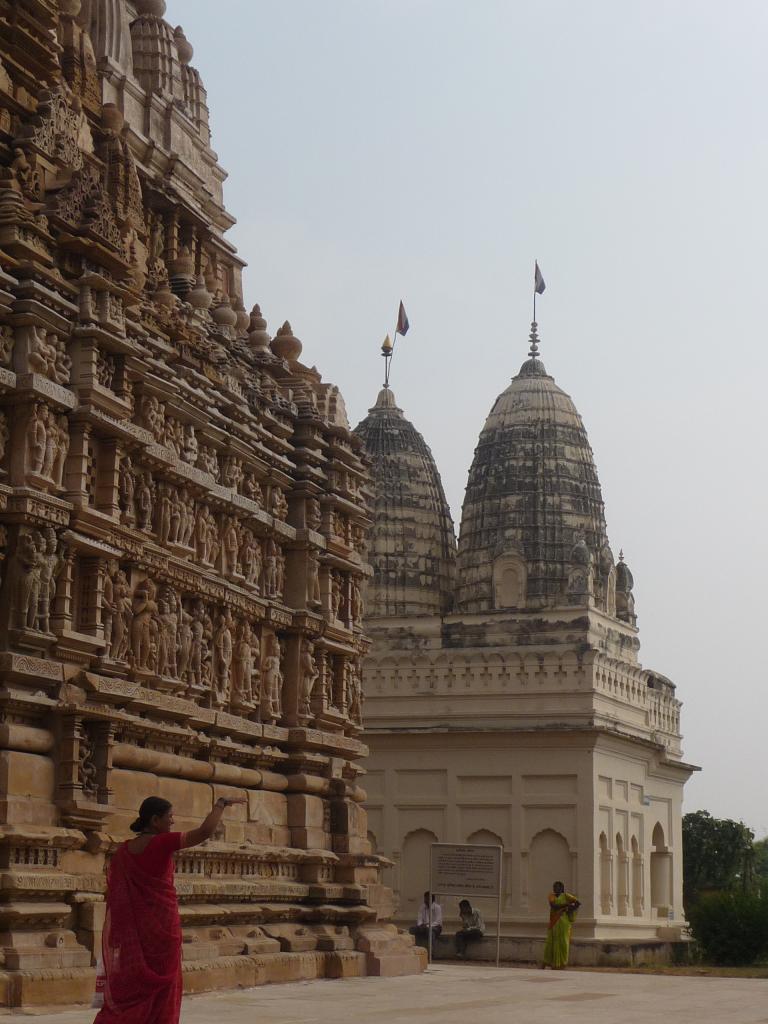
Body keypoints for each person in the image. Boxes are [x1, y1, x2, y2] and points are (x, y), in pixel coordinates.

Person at [94, 794, 245, 1023]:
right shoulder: (161, 843)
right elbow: (203, 833)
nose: (172, 822)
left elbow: (113, 894)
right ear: (155, 820)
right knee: (164, 989)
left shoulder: (124, 851)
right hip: (163, 933)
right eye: (170, 817)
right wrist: (220, 805)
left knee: (135, 989)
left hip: (135, 935)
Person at [542, 880, 580, 969]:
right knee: (551, 942)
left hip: (564, 923)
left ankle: (562, 964)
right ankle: (549, 962)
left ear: (562, 888)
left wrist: (569, 909)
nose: (555, 888)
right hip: (554, 922)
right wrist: (566, 904)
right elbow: (553, 906)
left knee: (564, 942)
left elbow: (577, 903)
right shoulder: (551, 896)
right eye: (554, 886)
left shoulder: (566, 895)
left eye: (557, 886)